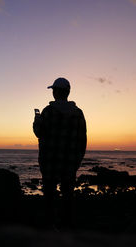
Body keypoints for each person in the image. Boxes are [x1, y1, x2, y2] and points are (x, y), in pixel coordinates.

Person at [33, 77, 87, 228]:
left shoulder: (48, 112)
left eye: (54, 90)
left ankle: (50, 227)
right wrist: (76, 162)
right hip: (69, 163)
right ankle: (67, 228)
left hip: (49, 162)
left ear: (56, 92)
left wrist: (37, 120)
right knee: (68, 196)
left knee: (49, 196)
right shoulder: (78, 114)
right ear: (68, 92)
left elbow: (39, 132)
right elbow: (82, 141)